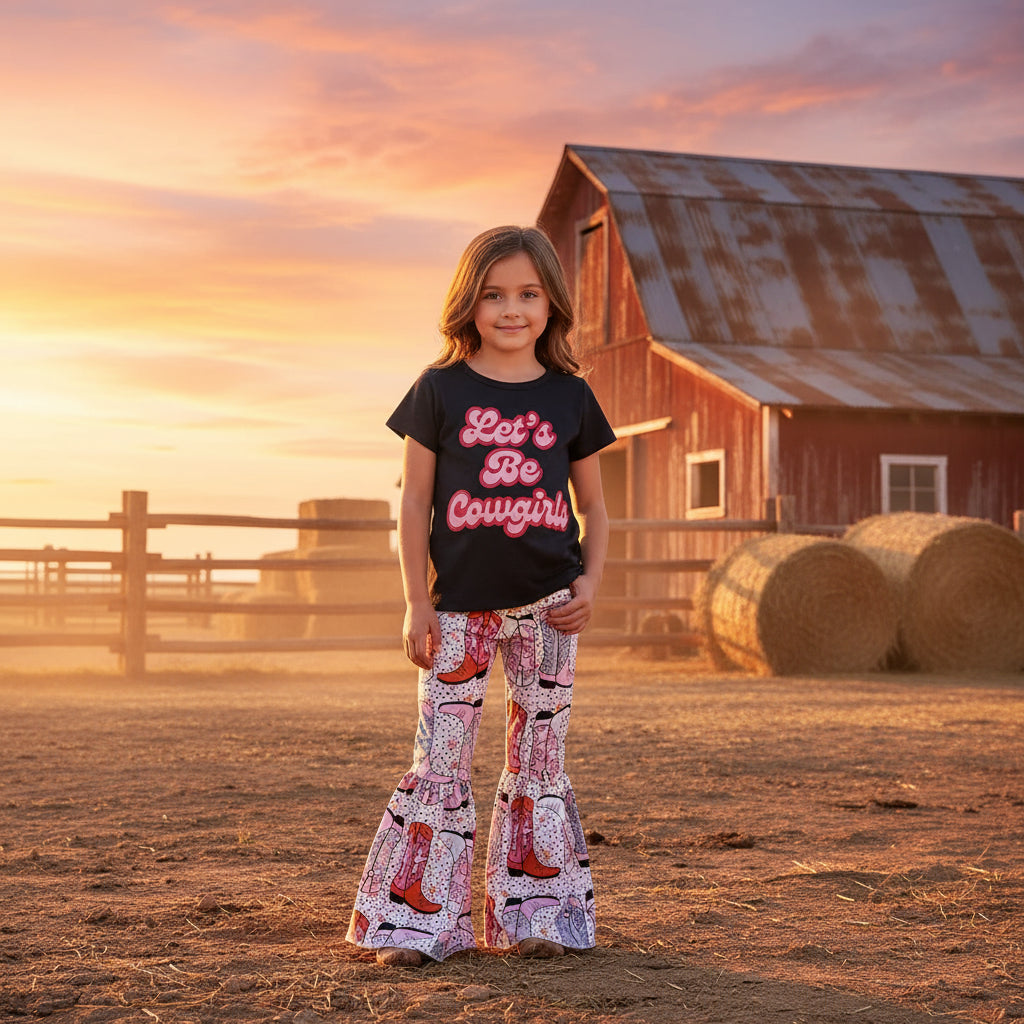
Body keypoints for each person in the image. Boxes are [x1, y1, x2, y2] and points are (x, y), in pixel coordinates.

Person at [346, 225, 616, 967]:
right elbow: (412, 504)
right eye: (494, 294)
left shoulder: (571, 396)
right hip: (458, 609)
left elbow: (594, 508)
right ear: (469, 302)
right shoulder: (438, 390)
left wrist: (590, 584)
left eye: (528, 294)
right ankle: (414, 925)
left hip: (549, 609)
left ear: (551, 303)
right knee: (441, 759)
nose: (511, 309)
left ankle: (536, 920)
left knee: (539, 759)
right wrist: (414, 599)